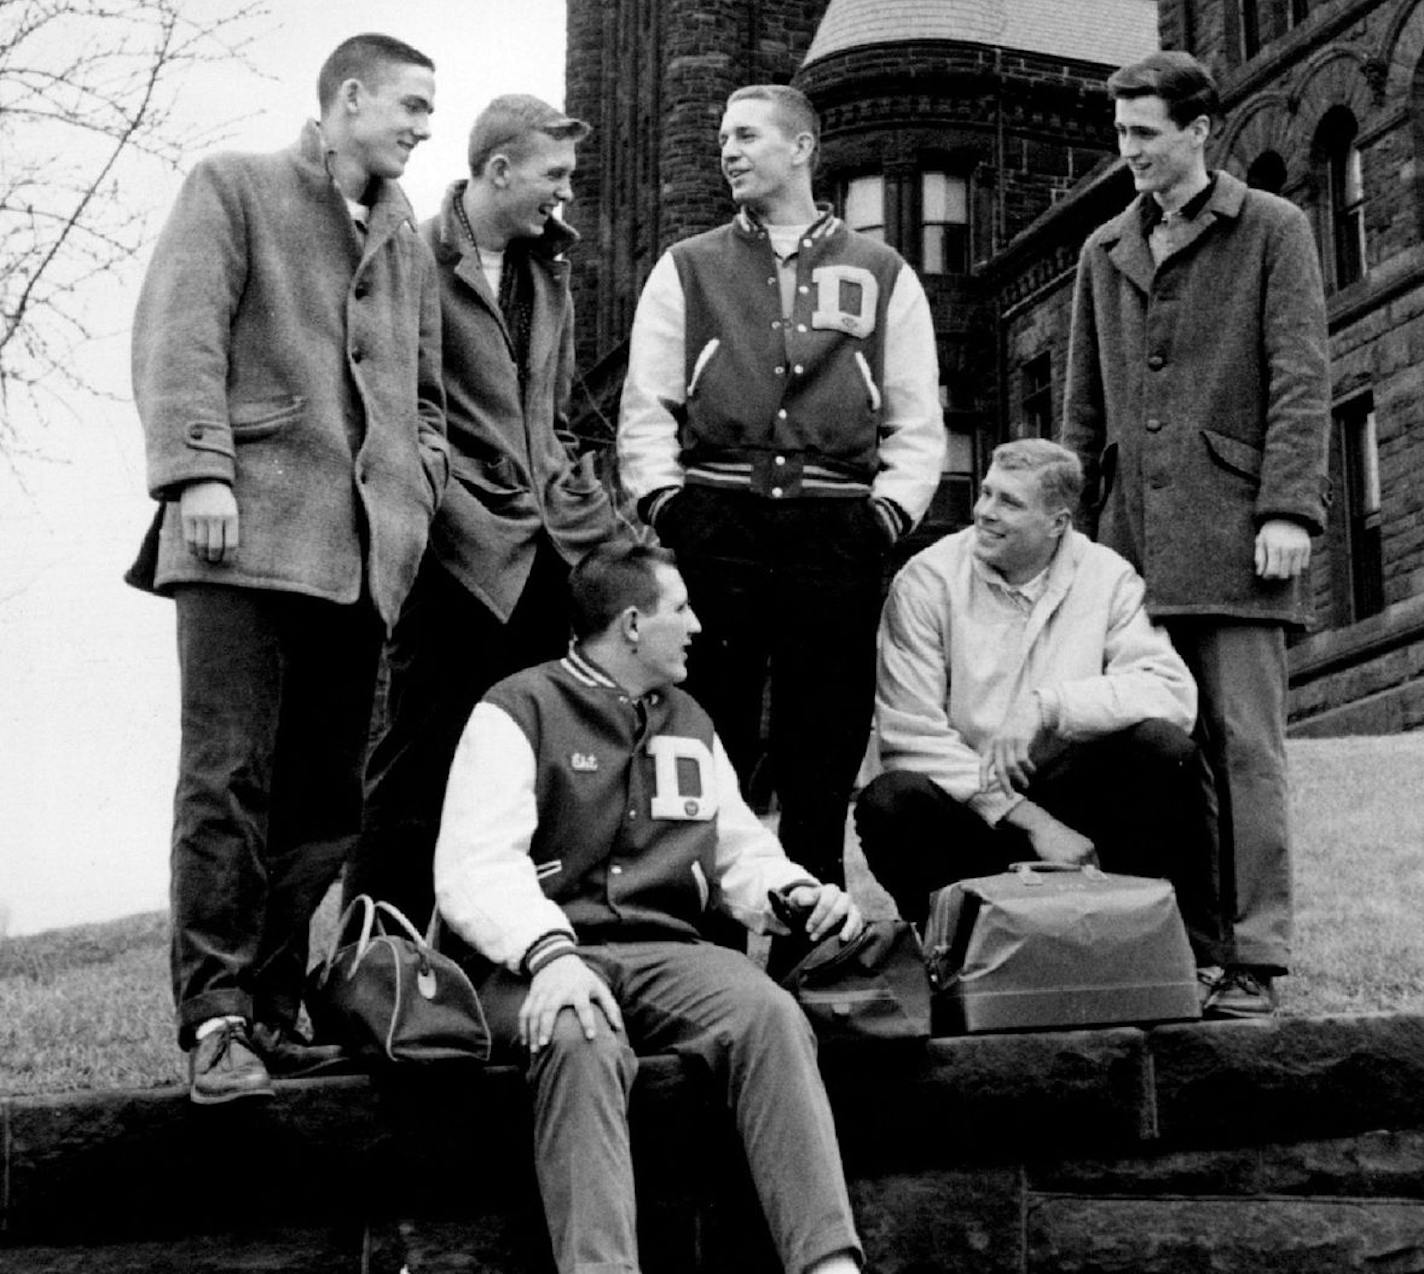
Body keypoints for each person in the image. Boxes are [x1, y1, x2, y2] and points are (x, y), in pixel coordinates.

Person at [129, 33, 448, 1105]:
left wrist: (415, 491)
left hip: (362, 561)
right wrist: (198, 474)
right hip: (243, 536)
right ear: (346, 98)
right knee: (229, 779)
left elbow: (426, 401)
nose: (420, 127)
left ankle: (268, 1006)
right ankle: (216, 1020)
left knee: (326, 805)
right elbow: (180, 336)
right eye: (407, 105)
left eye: (429, 112)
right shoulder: (235, 186)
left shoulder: (405, 237)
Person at [433, 530, 865, 1274]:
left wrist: (793, 892)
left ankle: (829, 1264)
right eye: (681, 608)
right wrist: (552, 956)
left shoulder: (689, 718)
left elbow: (735, 847)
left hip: (665, 952)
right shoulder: (516, 709)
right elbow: (474, 867)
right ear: (632, 625)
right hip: (535, 961)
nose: (697, 625)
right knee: (577, 1033)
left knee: (767, 1013)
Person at [617, 83, 945, 888]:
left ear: (801, 149)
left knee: (823, 732)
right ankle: (710, 924)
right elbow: (646, 404)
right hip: (717, 521)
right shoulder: (688, 268)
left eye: (748, 136)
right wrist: (670, 505)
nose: (728, 150)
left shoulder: (880, 270)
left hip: (834, 528)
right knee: (710, 723)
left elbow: (915, 415)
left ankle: (814, 921)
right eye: (723, 137)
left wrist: (884, 518)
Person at [1061, 49, 1331, 1020]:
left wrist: (1287, 508)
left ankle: (1252, 959)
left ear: (1196, 131)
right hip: (1130, 553)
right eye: (1119, 132)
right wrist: (1071, 552)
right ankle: (1176, 949)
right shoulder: (1102, 253)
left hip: (1240, 539)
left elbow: (1299, 374)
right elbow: (1080, 418)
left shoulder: (1272, 229)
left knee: (1243, 750)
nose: (1126, 151)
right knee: (1152, 755)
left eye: (1143, 133)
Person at [348, 92, 621, 925]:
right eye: (554, 175)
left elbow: (556, 416)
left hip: (547, 556)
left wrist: (577, 496)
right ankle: (378, 959)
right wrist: (451, 512)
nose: (564, 194)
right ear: (498, 170)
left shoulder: (550, 271)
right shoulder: (409, 258)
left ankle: (503, 958)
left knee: (529, 771)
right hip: (454, 556)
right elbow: (393, 407)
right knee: (421, 764)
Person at [856, 439, 1203, 941]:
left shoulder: (1108, 576)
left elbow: (1172, 694)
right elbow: (911, 736)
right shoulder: (926, 582)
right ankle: (957, 953)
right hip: (974, 814)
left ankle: (1146, 943)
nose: (985, 513)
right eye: (987, 494)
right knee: (890, 800)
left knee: (1163, 749)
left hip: (1077, 804)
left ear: (1057, 523)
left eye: (1009, 503)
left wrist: (1049, 706)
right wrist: (1031, 821)